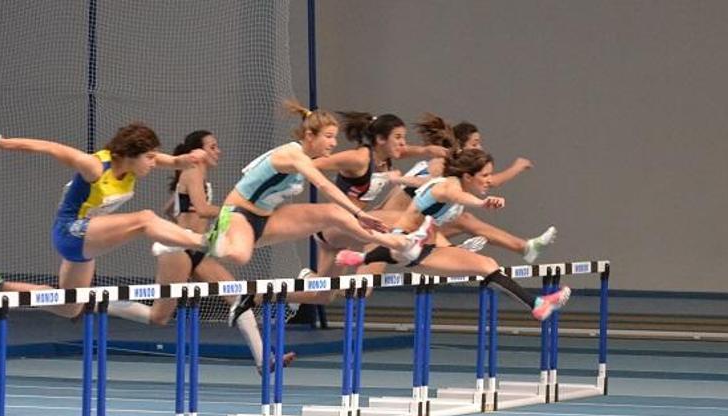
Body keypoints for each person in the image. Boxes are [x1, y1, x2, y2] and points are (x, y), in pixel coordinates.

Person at [0, 123, 209, 318]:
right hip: (71, 230)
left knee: (70, 306)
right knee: (145, 219)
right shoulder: (94, 166)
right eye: (150, 158)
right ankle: (204, 242)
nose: (154, 163)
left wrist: (189, 158)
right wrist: (1, 142)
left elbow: (175, 161)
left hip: (85, 238)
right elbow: (50, 147)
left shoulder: (136, 164)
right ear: (130, 155)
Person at [106, 130, 295, 372]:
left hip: (198, 248)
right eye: (213, 147)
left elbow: (171, 207)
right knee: (159, 317)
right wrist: (239, 213)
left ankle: (264, 360)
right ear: (198, 151)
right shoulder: (192, 170)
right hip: (178, 249)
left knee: (238, 296)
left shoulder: (200, 177)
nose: (218, 151)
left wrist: (181, 217)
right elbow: (204, 209)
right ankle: (98, 303)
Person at [336, 148, 570, 322]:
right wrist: (482, 202)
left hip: (422, 248)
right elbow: (460, 198)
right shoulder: (450, 187)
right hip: (405, 241)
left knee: (487, 264)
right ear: (468, 176)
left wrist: (397, 179)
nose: (490, 180)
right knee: (402, 244)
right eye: (485, 175)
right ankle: (362, 257)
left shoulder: (451, 184)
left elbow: (423, 190)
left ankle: (537, 304)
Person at [204, 100, 431, 269]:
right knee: (240, 256)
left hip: (267, 217)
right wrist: (358, 214)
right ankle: (203, 239)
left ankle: (395, 243)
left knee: (332, 212)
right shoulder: (293, 155)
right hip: (238, 214)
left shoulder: (309, 158)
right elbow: (324, 186)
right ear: (310, 135)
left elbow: (408, 150)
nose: (333, 143)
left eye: (335, 137)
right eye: (329, 137)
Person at [382, 114, 555, 263]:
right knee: (463, 219)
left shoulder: (457, 172)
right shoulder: (442, 164)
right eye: (475, 144)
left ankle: (521, 248)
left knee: (461, 219)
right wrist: (517, 166)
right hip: (391, 223)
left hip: (418, 227)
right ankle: (458, 251)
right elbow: (491, 182)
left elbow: (486, 182)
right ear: (460, 147)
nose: (479, 148)